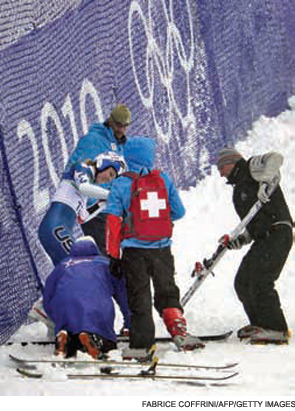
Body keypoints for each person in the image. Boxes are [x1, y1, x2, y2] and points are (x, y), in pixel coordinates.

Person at [105, 136, 205, 361]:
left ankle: (142, 346)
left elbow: (113, 221)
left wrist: (113, 256)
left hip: (134, 252)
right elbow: (179, 212)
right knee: (167, 291)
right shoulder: (163, 179)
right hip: (162, 249)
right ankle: (179, 330)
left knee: (139, 297)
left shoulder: (121, 183)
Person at [217, 147, 293, 344]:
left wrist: (265, 183)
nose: (220, 173)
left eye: (221, 167)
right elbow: (253, 225)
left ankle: (276, 329)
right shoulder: (238, 192)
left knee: (261, 280)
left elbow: (276, 157)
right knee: (242, 282)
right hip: (263, 237)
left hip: (278, 232)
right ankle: (260, 324)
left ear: (231, 162)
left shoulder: (251, 167)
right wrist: (240, 240)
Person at [43, 236, 131, 359]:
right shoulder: (106, 264)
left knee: (72, 332)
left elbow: (47, 296)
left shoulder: (62, 265)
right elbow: (124, 295)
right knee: (106, 342)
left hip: (65, 308)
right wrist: (129, 322)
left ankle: (65, 335)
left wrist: (57, 320)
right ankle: (93, 337)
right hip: (97, 308)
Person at [38, 151, 127, 267]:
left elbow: (82, 218)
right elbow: (84, 188)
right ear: (102, 163)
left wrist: (103, 204)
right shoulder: (83, 167)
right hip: (55, 228)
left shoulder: (87, 188)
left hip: (57, 230)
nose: (109, 179)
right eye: (110, 174)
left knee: (68, 275)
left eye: (112, 178)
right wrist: (111, 195)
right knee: (82, 269)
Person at [64, 104, 131, 254]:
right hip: (95, 209)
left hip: (110, 205)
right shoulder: (94, 141)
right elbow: (78, 171)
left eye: (125, 126)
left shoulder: (119, 144)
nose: (121, 130)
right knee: (106, 252)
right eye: (118, 125)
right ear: (110, 121)